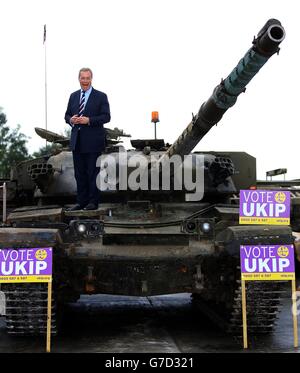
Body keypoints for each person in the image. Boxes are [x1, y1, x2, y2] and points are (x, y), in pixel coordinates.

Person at [65, 67, 110, 211]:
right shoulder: (73, 96)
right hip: (77, 141)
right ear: (79, 79)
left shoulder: (101, 96)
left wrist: (88, 120)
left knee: (92, 173)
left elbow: (106, 117)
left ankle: (93, 202)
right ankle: (81, 202)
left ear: (91, 79)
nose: (85, 81)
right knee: (80, 174)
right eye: (82, 78)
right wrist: (71, 119)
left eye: (87, 78)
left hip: (93, 142)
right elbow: (66, 115)